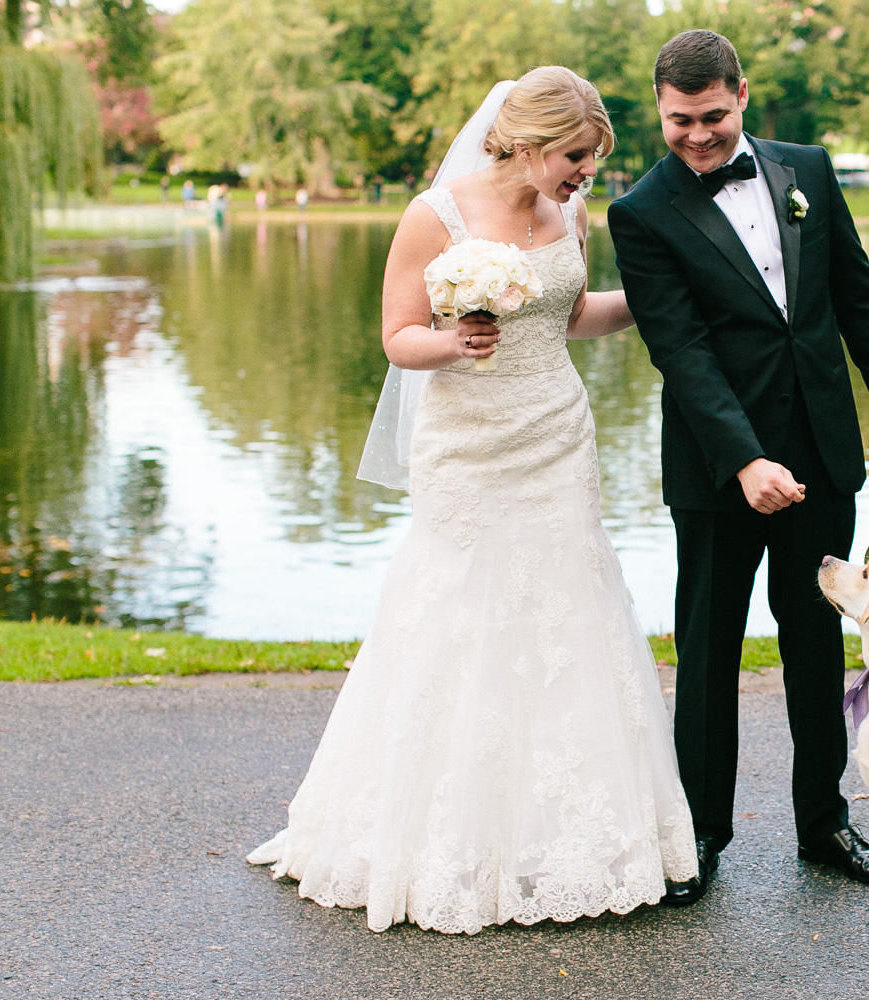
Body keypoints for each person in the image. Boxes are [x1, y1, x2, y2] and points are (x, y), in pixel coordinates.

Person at [247, 66, 698, 934]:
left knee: (569, 611)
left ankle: (569, 833)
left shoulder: (568, 215)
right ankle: (441, 838)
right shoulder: (435, 216)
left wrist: (658, 301)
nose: (584, 178)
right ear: (526, 145)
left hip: (556, 432)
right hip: (468, 445)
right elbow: (397, 338)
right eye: (574, 159)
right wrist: (454, 341)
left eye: (592, 164)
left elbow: (569, 316)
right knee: (459, 614)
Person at [608, 30, 869, 905]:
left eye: (713, 116)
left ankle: (824, 825)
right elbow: (680, 351)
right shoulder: (639, 213)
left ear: (741, 95)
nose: (698, 136)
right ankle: (700, 837)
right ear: (660, 108)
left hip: (824, 451)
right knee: (710, 651)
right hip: (718, 471)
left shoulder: (809, 172)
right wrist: (745, 457)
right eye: (680, 121)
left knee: (815, 643)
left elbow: (859, 300)